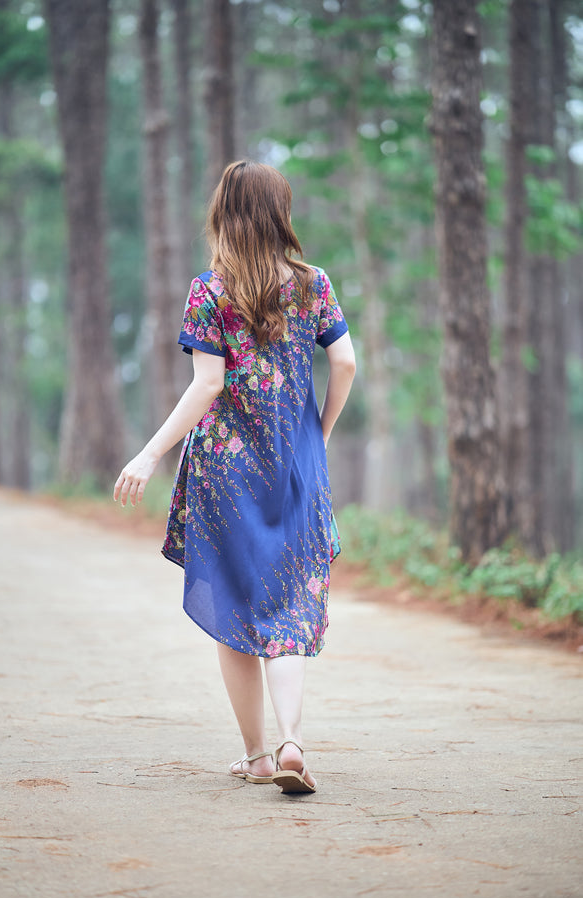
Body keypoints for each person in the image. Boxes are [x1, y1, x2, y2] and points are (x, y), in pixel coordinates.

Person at [114, 160, 355, 793]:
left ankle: (256, 756)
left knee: (237, 606)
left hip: (227, 469)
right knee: (289, 603)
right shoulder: (314, 284)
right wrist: (317, 435)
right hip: (295, 465)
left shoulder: (210, 290)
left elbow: (208, 385)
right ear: (281, 213)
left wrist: (149, 454)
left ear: (225, 212)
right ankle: (293, 740)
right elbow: (346, 363)